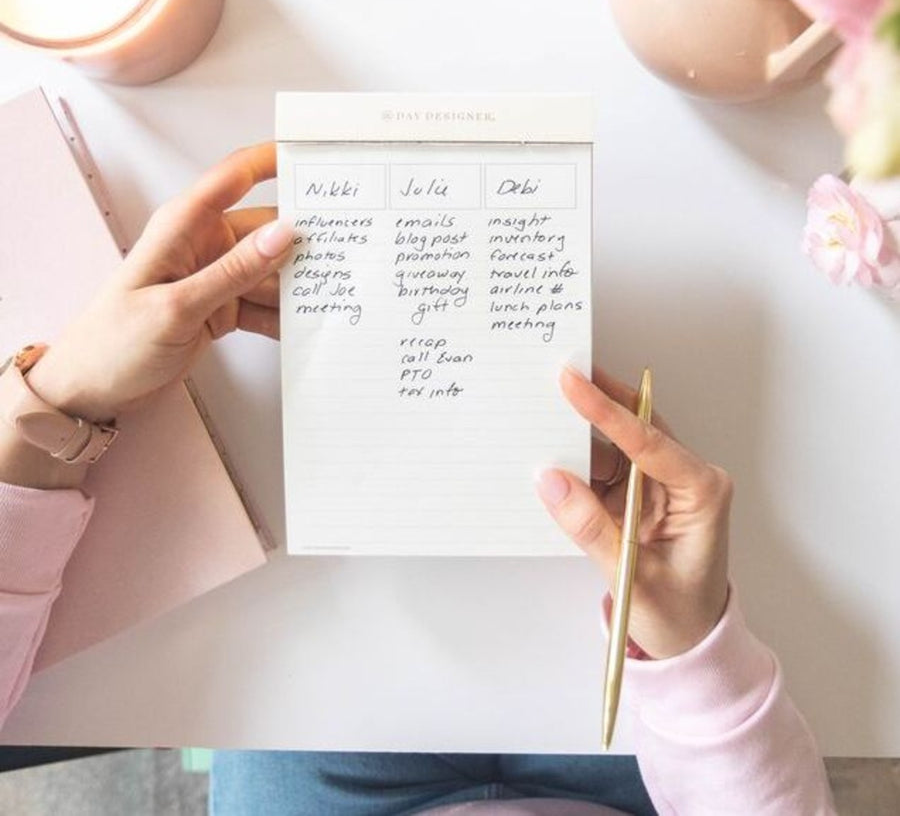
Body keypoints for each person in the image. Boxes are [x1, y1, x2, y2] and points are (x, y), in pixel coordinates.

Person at [0, 144, 836, 815]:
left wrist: (55, 403)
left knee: (282, 682)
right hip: (656, 782)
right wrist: (694, 657)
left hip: (335, 782)